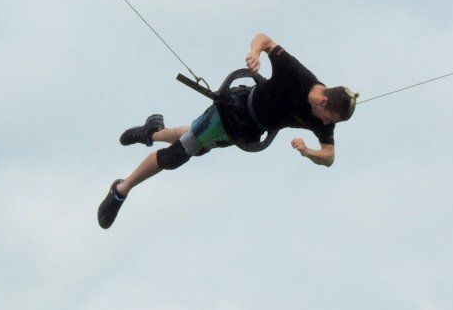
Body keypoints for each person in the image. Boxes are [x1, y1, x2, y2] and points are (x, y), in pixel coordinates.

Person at [97, 32, 356, 228]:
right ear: (323, 101)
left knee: (196, 144)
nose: (326, 124)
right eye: (328, 118)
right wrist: (254, 53)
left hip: (246, 132)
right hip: (232, 109)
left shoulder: (324, 121)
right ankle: (120, 190)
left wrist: (307, 151)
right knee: (178, 154)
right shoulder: (297, 75)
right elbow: (264, 39)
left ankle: (152, 131)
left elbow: (329, 156)